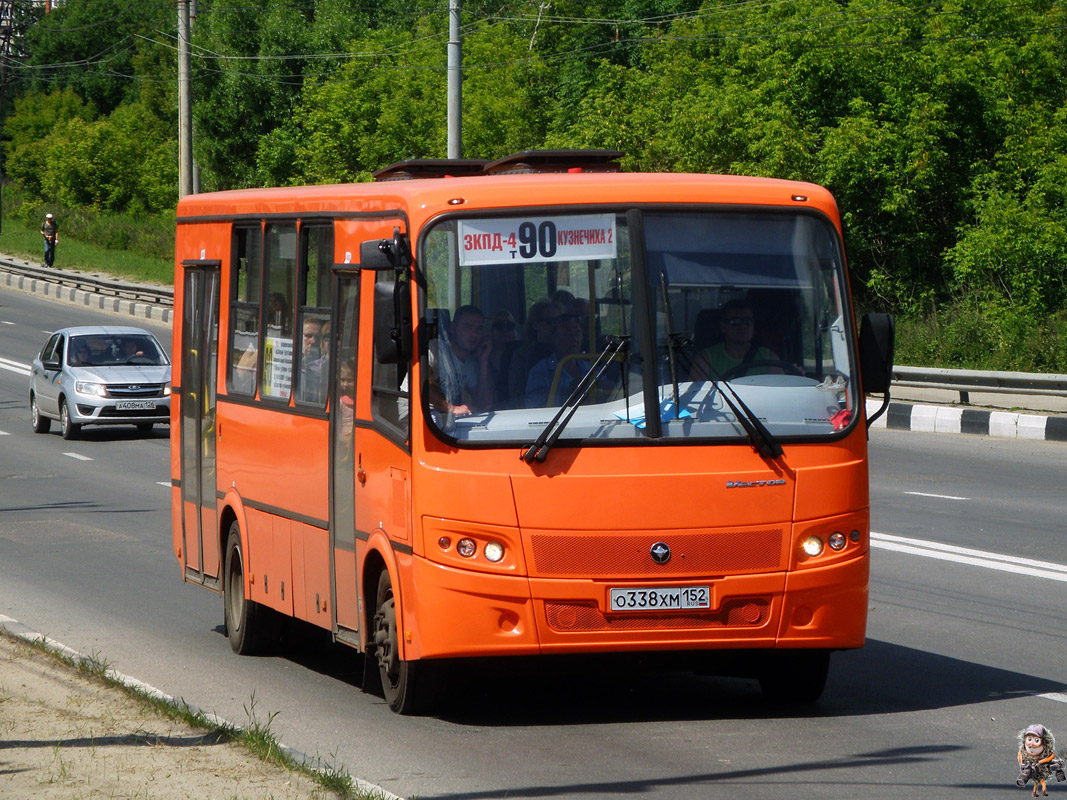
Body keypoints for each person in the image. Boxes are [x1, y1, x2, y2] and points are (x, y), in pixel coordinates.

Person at [688, 299, 782, 381]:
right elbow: (698, 393)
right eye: (735, 322)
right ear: (723, 326)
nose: (743, 326)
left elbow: (780, 390)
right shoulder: (706, 358)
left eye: (747, 321)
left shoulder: (768, 357)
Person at [429, 304, 493, 417]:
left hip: (447, 421)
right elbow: (419, 383)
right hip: (415, 416)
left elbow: (484, 405)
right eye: (467, 327)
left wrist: (484, 361)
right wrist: (451, 408)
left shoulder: (470, 364)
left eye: (479, 329)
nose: (474, 334)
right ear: (453, 328)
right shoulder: (435, 349)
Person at [525, 310, 588, 407]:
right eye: (567, 334)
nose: (574, 339)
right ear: (554, 338)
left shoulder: (591, 366)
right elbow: (534, 406)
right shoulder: (540, 371)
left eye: (577, 333)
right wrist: (567, 395)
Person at [506, 299, 562, 402]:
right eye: (552, 321)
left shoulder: (568, 352)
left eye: (560, 321)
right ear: (536, 324)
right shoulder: (522, 355)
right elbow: (517, 395)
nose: (557, 326)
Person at [299, 316, 328, 403]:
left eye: (317, 336)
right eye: (308, 336)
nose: (313, 340)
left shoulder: (325, 362)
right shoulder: (289, 360)